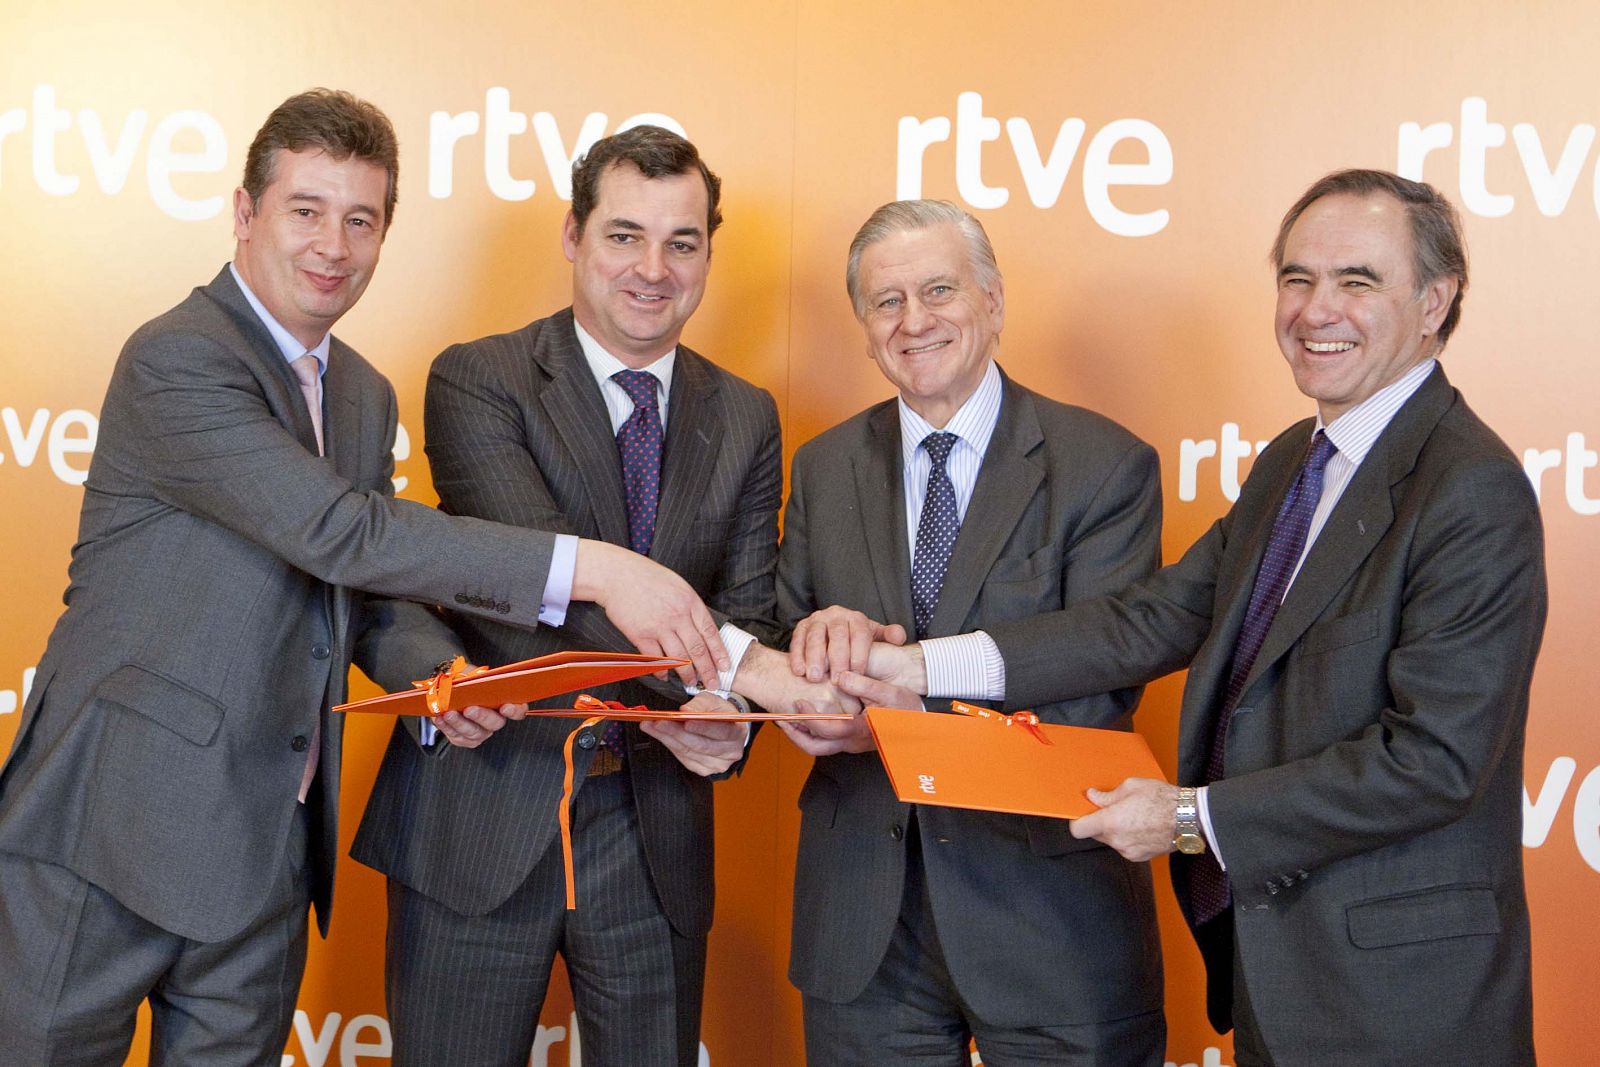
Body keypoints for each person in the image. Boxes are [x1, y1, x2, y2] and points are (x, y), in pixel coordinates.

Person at [0, 90, 727, 1067]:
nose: (332, 244)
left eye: (362, 218)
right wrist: (594, 568)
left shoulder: (360, 391)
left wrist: (441, 682)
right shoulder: (178, 357)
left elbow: (368, 597)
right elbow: (339, 530)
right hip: (107, 835)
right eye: (306, 209)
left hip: (266, 856)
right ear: (243, 212)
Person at [853, 171, 1545, 1066]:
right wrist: (920, 667)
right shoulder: (1296, 459)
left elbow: (1434, 761)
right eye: (1296, 279)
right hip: (1283, 974)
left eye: (1357, 281)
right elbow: (1149, 619)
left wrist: (1191, 818)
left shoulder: (1469, 488)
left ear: (1434, 301)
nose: (1315, 308)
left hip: (1403, 999)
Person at [353, 125, 845, 1067]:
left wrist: (724, 711)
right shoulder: (480, 379)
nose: (653, 268)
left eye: (683, 241)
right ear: (573, 236)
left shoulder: (746, 414)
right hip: (482, 819)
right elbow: (565, 597)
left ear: (708, 252)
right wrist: (748, 673)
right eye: (624, 235)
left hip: (652, 839)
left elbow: (745, 606)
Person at [773, 199, 1167, 1066]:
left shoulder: (1105, 464)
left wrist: (900, 694)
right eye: (887, 302)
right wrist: (812, 676)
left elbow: (1100, 677)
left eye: (940, 289)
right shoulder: (823, 465)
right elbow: (781, 639)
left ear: (993, 299)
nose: (915, 321)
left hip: (1050, 921)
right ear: (865, 330)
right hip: (867, 928)